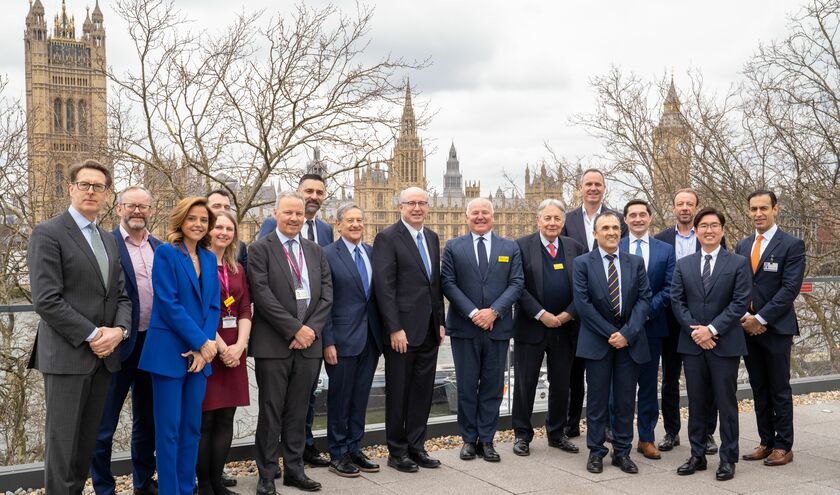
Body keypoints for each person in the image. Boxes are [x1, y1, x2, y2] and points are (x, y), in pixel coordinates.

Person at [28, 159, 132, 494]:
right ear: (71, 188)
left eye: (98, 186)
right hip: (67, 356)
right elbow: (46, 300)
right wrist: (93, 334)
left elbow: (123, 297)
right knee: (62, 447)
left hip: (104, 359)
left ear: (106, 194)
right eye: (84, 184)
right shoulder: (48, 233)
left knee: (85, 445)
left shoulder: (108, 240)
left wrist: (119, 332)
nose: (91, 191)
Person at [248, 191, 333, 494]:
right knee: (271, 411)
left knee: (299, 411)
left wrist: (310, 330)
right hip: (274, 343)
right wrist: (294, 329)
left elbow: (326, 294)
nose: (294, 218)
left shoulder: (315, 251)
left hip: (309, 343)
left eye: (298, 213)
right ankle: (267, 474)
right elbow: (262, 295)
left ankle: (295, 470)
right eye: (288, 213)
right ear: (275, 214)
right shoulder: (260, 249)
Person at [138, 197, 221, 495]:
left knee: (191, 429)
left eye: (203, 220)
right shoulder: (165, 254)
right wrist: (199, 342)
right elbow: (169, 304)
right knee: (169, 432)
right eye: (192, 219)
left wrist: (206, 346)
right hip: (169, 353)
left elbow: (213, 306)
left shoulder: (210, 258)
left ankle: (187, 489)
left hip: (200, 357)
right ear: (180, 221)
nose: (198, 224)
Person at [671, 207, 750, 481]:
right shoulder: (684, 264)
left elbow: (740, 302)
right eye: (703, 225)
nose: (708, 230)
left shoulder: (738, 263)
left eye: (714, 225)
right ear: (696, 231)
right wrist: (696, 331)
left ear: (722, 230)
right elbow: (676, 301)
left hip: (724, 343)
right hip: (692, 344)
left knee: (726, 402)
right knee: (695, 401)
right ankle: (697, 454)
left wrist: (712, 329)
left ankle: (728, 458)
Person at [441, 198, 524, 463]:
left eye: (484, 212)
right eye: (475, 212)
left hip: (497, 327)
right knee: (466, 385)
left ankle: (487, 440)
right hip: (465, 327)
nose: (480, 216)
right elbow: (448, 283)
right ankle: (468, 440)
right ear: (466, 216)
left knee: (492, 385)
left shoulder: (509, 247)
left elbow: (516, 283)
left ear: (493, 216)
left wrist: (494, 311)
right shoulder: (454, 246)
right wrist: (474, 313)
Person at [92, 186, 161, 495]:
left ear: (150, 210)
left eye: (143, 206)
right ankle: (104, 487)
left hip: (154, 345)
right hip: (118, 346)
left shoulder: (160, 247)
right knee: (104, 424)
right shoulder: (105, 244)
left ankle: (143, 483)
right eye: (131, 205)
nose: (137, 211)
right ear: (118, 208)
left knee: (147, 422)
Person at [372, 186, 445, 473]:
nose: (417, 208)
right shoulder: (387, 237)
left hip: (428, 329)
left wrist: (440, 322)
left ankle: (417, 447)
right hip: (402, 331)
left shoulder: (431, 237)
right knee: (398, 393)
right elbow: (384, 287)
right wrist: (394, 328)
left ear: (428, 207)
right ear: (400, 207)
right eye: (411, 203)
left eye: (422, 203)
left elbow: (434, 285)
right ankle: (397, 451)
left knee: (422, 392)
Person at [574, 211, 651, 475]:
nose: (611, 232)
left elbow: (644, 300)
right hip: (598, 341)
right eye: (605, 228)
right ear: (595, 233)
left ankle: (622, 452)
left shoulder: (635, 262)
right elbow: (583, 305)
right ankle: (596, 452)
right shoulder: (582, 263)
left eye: (616, 228)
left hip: (629, 343)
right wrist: (611, 333)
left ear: (622, 232)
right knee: (596, 402)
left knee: (625, 401)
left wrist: (627, 334)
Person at [511, 199, 585, 457]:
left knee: (562, 383)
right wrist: (541, 314)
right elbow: (517, 285)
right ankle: (522, 434)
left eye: (557, 219)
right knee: (525, 383)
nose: (552, 223)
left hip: (565, 328)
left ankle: (556, 433)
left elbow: (584, 287)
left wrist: (567, 315)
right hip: (531, 327)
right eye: (547, 218)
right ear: (538, 220)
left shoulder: (575, 247)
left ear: (563, 222)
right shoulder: (520, 246)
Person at [737, 190, 805, 467]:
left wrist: (761, 319)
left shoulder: (791, 244)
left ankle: (783, 445)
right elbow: (739, 286)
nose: (758, 214)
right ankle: (766, 442)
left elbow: (790, 289)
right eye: (753, 209)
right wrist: (745, 317)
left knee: (779, 388)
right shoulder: (742, 246)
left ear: (776, 209)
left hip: (775, 329)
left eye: (764, 208)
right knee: (759, 387)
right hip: (747, 328)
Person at [560, 168, 627, 438]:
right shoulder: (567, 219)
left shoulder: (617, 218)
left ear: (604, 188)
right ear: (580, 188)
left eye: (597, 184)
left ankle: (608, 427)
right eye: (588, 184)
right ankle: (571, 423)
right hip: (578, 304)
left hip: (611, 306)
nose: (593, 188)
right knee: (575, 372)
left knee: (608, 374)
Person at [654, 189, 722, 454]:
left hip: (703, 323)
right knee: (670, 379)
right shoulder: (660, 240)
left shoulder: (709, 236)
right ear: (673, 208)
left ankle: (707, 433)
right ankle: (672, 432)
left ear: (696, 208)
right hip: (670, 321)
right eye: (680, 204)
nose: (684, 208)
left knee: (706, 380)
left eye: (689, 204)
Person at [322, 203, 383, 477]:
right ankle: (337, 452)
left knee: (360, 398)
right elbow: (324, 303)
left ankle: (355, 446)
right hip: (342, 340)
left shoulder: (371, 252)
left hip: (370, 339)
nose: (356, 224)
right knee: (340, 399)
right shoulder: (327, 255)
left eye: (360, 220)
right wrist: (328, 341)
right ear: (338, 224)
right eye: (350, 220)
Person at [196, 211, 252, 495]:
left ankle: (217, 482)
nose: (224, 232)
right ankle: (203, 484)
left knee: (226, 418)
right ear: (209, 230)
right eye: (219, 227)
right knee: (206, 420)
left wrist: (240, 346)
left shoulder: (236, 269)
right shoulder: (198, 264)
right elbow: (199, 311)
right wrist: (221, 348)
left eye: (229, 228)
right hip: (208, 348)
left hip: (235, 351)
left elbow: (243, 309)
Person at [616, 200, 675, 460]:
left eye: (642, 214)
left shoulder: (665, 250)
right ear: (625, 220)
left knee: (649, 385)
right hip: (619, 328)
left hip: (652, 327)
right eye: (632, 215)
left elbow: (671, 287)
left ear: (650, 218)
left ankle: (647, 438)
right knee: (618, 387)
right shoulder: (614, 245)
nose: (638, 219)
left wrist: (645, 312)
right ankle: (619, 438)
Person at [207, 189, 249, 272]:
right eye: (216, 206)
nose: (223, 210)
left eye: (227, 207)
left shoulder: (240, 247)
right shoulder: (193, 244)